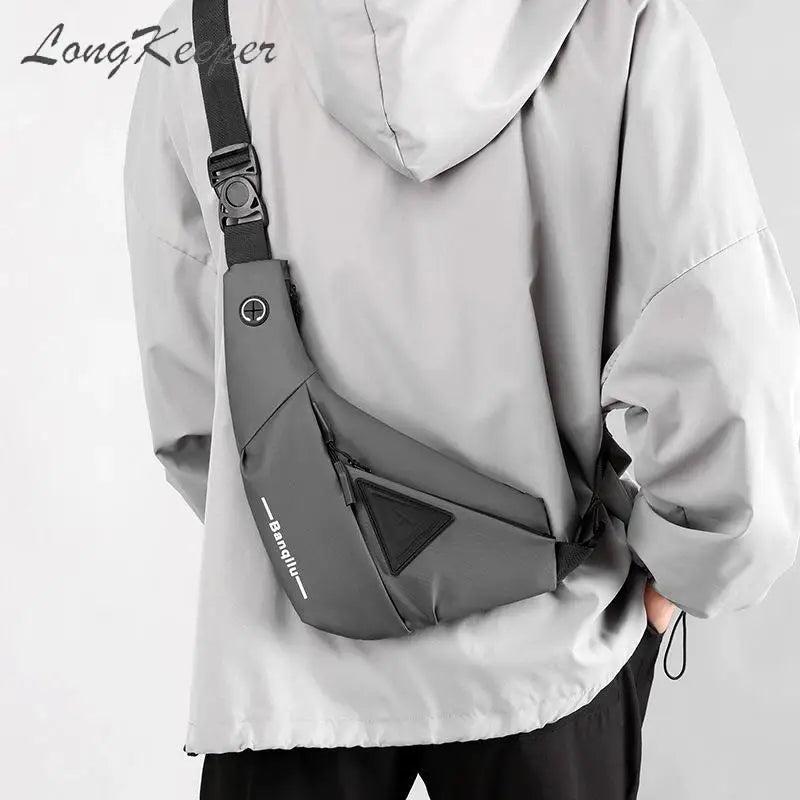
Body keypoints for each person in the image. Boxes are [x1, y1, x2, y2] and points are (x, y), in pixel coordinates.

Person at [124, 0, 800, 797]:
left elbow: (192, 403)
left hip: (288, 675)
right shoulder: (625, 27)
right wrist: (688, 572)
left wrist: (312, 548)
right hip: (550, 659)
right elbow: (719, 362)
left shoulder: (199, 36)